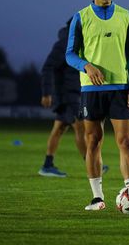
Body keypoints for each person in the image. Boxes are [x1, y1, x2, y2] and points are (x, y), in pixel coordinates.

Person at [66, 0, 129, 211]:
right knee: (93, 141)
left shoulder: (126, 16)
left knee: (126, 141)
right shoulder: (81, 17)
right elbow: (70, 54)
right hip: (91, 89)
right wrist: (86, 66)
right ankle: (97, 198)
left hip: (120, 88)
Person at [39, 19, 109, 178]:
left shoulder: (77, 44)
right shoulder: (63, 44)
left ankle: (47, 165)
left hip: (71, 92)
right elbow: (47, 67)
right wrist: (46, 93)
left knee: (59, 128)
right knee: (80, 126)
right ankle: (90, 163)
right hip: (65, 94)